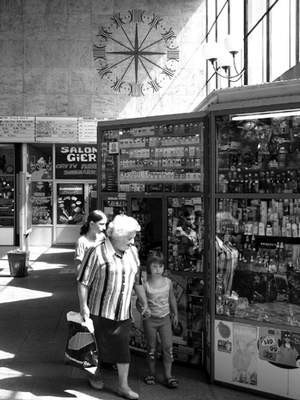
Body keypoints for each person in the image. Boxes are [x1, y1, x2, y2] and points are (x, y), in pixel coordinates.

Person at [77, 214, 148, 400]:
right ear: (116, 234)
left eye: (134, 237)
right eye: (129, 237)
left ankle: (123, 386)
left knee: (123, 348)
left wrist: (143, 300)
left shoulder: (132, 251)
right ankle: (95, 375)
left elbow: (137, 278)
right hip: (99, 310)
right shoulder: (96, 252)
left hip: (123, 311)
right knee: (97, 347)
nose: (132, 241)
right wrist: (83, 306)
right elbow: (83, 282)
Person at [139, 251, 179, 389]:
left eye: (160, 266)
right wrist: (142, 310)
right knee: (151, 348)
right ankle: (151, 373)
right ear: (149, 267)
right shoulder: (144, 284)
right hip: (150, 321)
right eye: (154, 266)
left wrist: (175, 314)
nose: (158, 269)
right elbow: (140, 303)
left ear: (164, 268)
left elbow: (172, 298)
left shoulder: (168, 282)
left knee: (168, 347)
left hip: (165, 319)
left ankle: (168, 376)